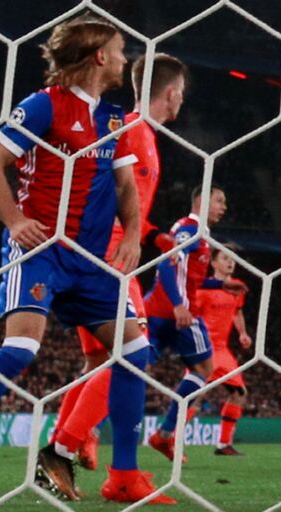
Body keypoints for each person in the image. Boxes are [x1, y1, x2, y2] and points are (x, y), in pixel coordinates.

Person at [0, 16, 162, 504]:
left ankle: (123, 474)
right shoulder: (41, 106)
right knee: (22, 350)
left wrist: (134, 235)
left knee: (133, 352)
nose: (124, 59)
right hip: (39, 251)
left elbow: (123, 186)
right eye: (120, 50)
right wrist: (14, 222)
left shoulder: (113, 119)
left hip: (89, 259)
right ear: (99, 56)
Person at [50, 53, 187, 472]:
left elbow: (125, 206)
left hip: (96, 255)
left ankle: (68, 440)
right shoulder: (134, 132)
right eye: (182, 93)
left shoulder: (130, 130)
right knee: (134, 356)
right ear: (171, 93)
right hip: (107, 262)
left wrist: (153, 236)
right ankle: (62, 452)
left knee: (99, 362)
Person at [142, 185, 239, 461]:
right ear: (200, 200)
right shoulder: (190, 230)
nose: (224, 207)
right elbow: (165, 264)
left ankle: (87, 430)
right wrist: (178, 305)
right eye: (219, 200)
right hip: (180, 315)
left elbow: (190, 277)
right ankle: (164, 434)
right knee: (203, 368)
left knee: (135, 366)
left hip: (158, 310)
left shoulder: (198, 234)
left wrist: (220, 284)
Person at [194, 246, 250, 455]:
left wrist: (242, 333)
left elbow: (237, 312)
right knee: (195, 394)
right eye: (225, 258)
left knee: (239, 393)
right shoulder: (204, 289)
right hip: (204, 348)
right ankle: (171, 438)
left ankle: (223, 444)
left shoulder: (237, 287)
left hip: (222, 350)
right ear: (213, 263)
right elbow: (192, 315)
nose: (230, 262)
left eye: (233, 259)